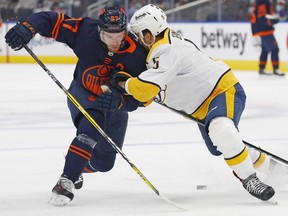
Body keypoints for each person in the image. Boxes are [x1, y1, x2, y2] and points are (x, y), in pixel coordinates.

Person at [109, 4, 287, 202]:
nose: (137, 40)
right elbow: (152, 93)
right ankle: (272, 168)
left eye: (139, 34)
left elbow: (147, 90)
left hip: (221, 90)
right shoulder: (160, 48)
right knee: (220, 145)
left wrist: (125, 84)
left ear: (150, 32)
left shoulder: (165, 50)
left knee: (221, 129)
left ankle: (249, 179)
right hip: (201, 107)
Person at [5, 6, 148, 206]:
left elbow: (145, 96)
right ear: (100, 30)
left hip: (115, 103)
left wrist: (123, 102)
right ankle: (66, 181)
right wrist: (28, 27)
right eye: (109, 35)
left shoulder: (138, 55)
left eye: (120, 35)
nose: (115, 41)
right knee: (92, 125)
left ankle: (77, 163)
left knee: (104, 163)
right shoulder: (85, 31)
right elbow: (52, 21)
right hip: (83, 92)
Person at [250, 0, 285, 76]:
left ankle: (261, 68)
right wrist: (270, 22)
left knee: (265, 50)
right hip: (264, 30)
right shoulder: (262, 2)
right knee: (275, 49)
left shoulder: (263, 1)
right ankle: (276, 69)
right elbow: (261, 17)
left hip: (263, 30)